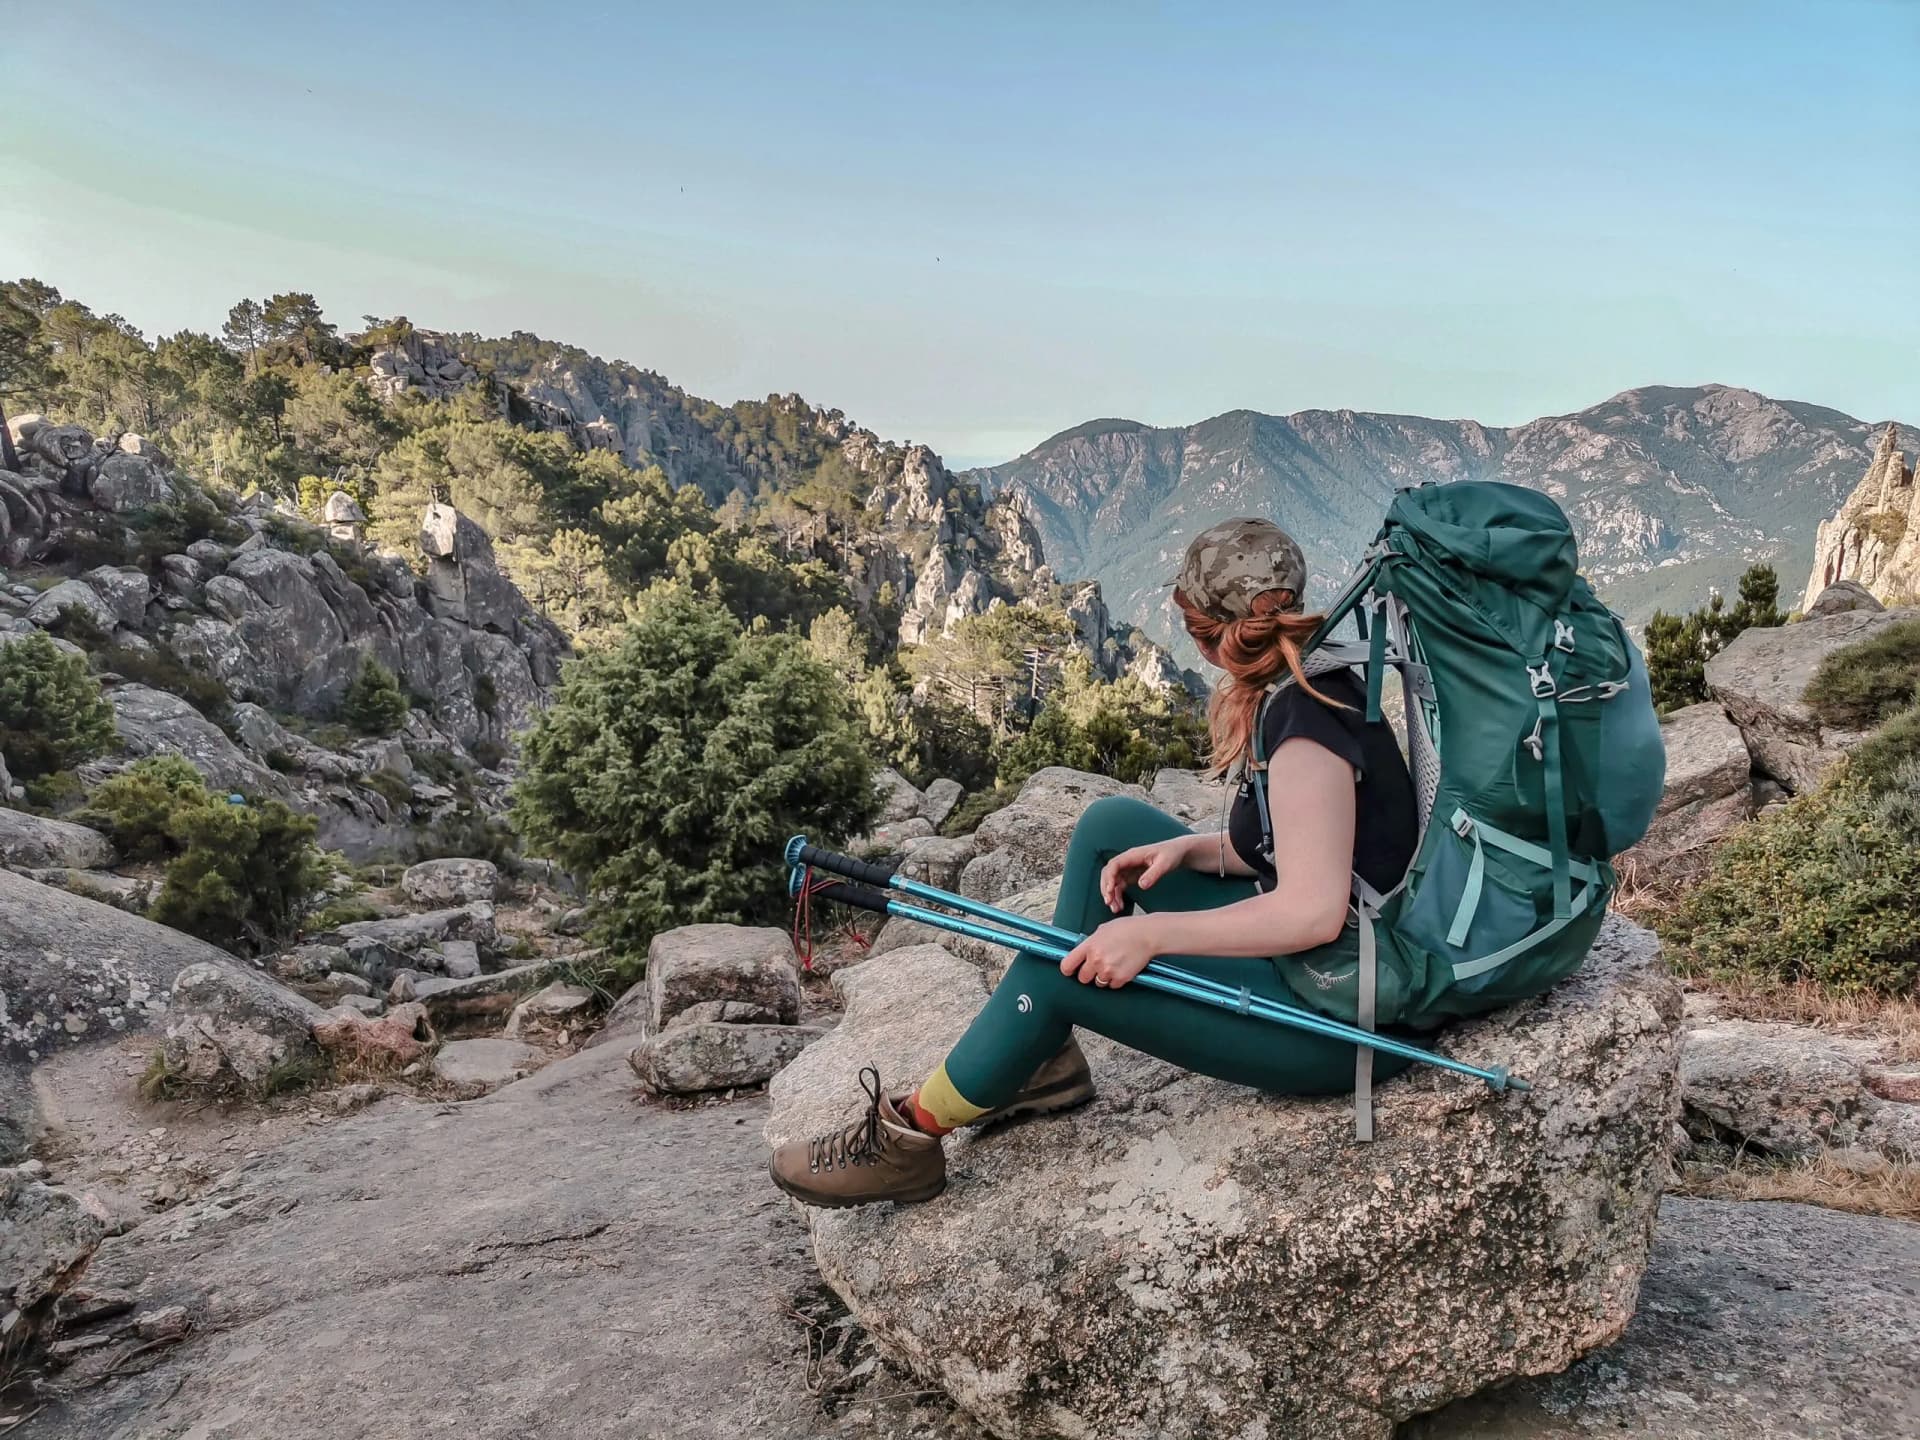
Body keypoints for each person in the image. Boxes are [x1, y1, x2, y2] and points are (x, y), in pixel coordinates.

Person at [768, 518, 1420, 1208]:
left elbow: (1311, 911)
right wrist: (1190, 848)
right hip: (1334, 967)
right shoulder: (1303, 679)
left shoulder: (1310, 718)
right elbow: (1303, 847)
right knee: (1112, 824)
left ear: (1208, 630)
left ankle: (907, 1137)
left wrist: (1149, 934)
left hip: (1342, 1020)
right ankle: (1038, 1060)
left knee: (1057, 971)